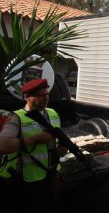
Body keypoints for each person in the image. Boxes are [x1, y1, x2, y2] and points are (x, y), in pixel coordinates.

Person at [0, 79, 67, 213]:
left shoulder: (53, 113)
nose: (45, 98)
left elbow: (55, 141)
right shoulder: (16, 117)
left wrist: (59, 150)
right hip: (27, 179)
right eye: (40, 95)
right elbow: (3, 145)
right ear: (27, 97)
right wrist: (36, 138)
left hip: (51, 175)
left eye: (46, 94)